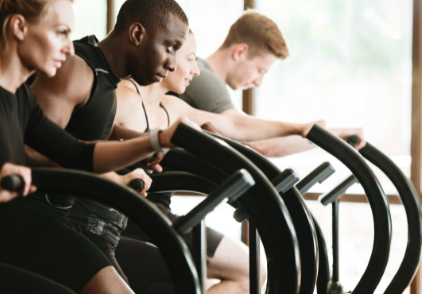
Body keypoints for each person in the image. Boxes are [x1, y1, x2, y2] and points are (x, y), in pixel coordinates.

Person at [97, 30, 363, 294]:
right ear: (167, 57)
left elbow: (234, 125)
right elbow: (81, 153)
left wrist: (300, 127)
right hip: (127, 219)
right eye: (190, 59)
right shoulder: (124, 98)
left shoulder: (170, 107)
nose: (196, 70)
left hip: (151, 214)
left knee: (246, 271)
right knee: (247, 271)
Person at [0, 0, 191, 294]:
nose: (172, 63)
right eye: (170, 47)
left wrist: (147, 144)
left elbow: (91, 133)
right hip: (19, 218)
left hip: (54, 216)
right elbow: (29, 148)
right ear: (137, 33)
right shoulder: (78, 70)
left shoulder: (107, 82)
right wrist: (115, 178)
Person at [177, 10, 364, 156]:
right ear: (240, 52)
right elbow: (258, 144)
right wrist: (333, 135)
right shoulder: (203, 79)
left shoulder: (201, 77)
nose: (258, 82)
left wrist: (330, 135)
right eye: (260, 70)